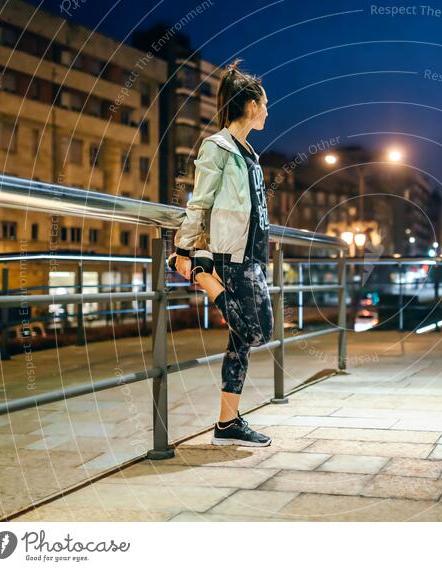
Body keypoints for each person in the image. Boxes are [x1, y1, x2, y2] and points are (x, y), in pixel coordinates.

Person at [167, 59, 273, 447]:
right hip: (231, 256)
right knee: (258, 330)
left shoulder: (248, 151)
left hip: (252, 253)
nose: (266, 110)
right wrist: (185, 250)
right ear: (248, 105)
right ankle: (200, 277)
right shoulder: (217, 148)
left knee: (241, 340)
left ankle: (227, 425)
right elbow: (201, 202)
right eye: (263, 103)